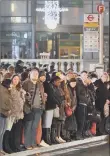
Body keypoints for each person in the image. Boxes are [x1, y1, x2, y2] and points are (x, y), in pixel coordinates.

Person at [22, 68, 46, 149]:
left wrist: (43, 104)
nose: (35, 75)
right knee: (28, 126)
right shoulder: (26, 83)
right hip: (29, 108)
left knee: (34, 127)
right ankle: (27, 144)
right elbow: (23, 96)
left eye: (36, 74)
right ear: (30, 74)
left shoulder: (40, 83)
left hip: (39, 108)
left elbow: (42, 95)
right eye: (34, 73)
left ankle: (33, 143)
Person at [8, 75, 26, 152]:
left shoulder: (20, 89)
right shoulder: (9, 88)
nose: (16, 81)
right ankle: (11, 146)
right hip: (12, 113)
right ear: (12, 79)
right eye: (14, 79)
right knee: (11, 131)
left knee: (18, 131)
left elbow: (22, 100)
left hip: (20, 113)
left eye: (17, 79)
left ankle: (17, 145)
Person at [75, 71, 90, 140]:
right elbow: (78, 95)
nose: (85, 76)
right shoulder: (78, 83)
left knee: (84, 120)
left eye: (86, 75)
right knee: (80, 120)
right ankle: (78, 134)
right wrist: (86, 100)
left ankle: (81, 133)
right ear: (81, 75)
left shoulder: (85, 84)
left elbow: (87, 93)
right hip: (80, 104)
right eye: (83, 75)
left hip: (85, 104)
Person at [0, 79, 12, 155]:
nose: (11, 85)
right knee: (1, 132)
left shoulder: (5, 90)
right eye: (10, 84)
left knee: (2, 133)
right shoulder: (3, 91)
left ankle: (0, 149)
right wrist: (8, 109)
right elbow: (3, 103)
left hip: (4, 113)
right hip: (2, 112)